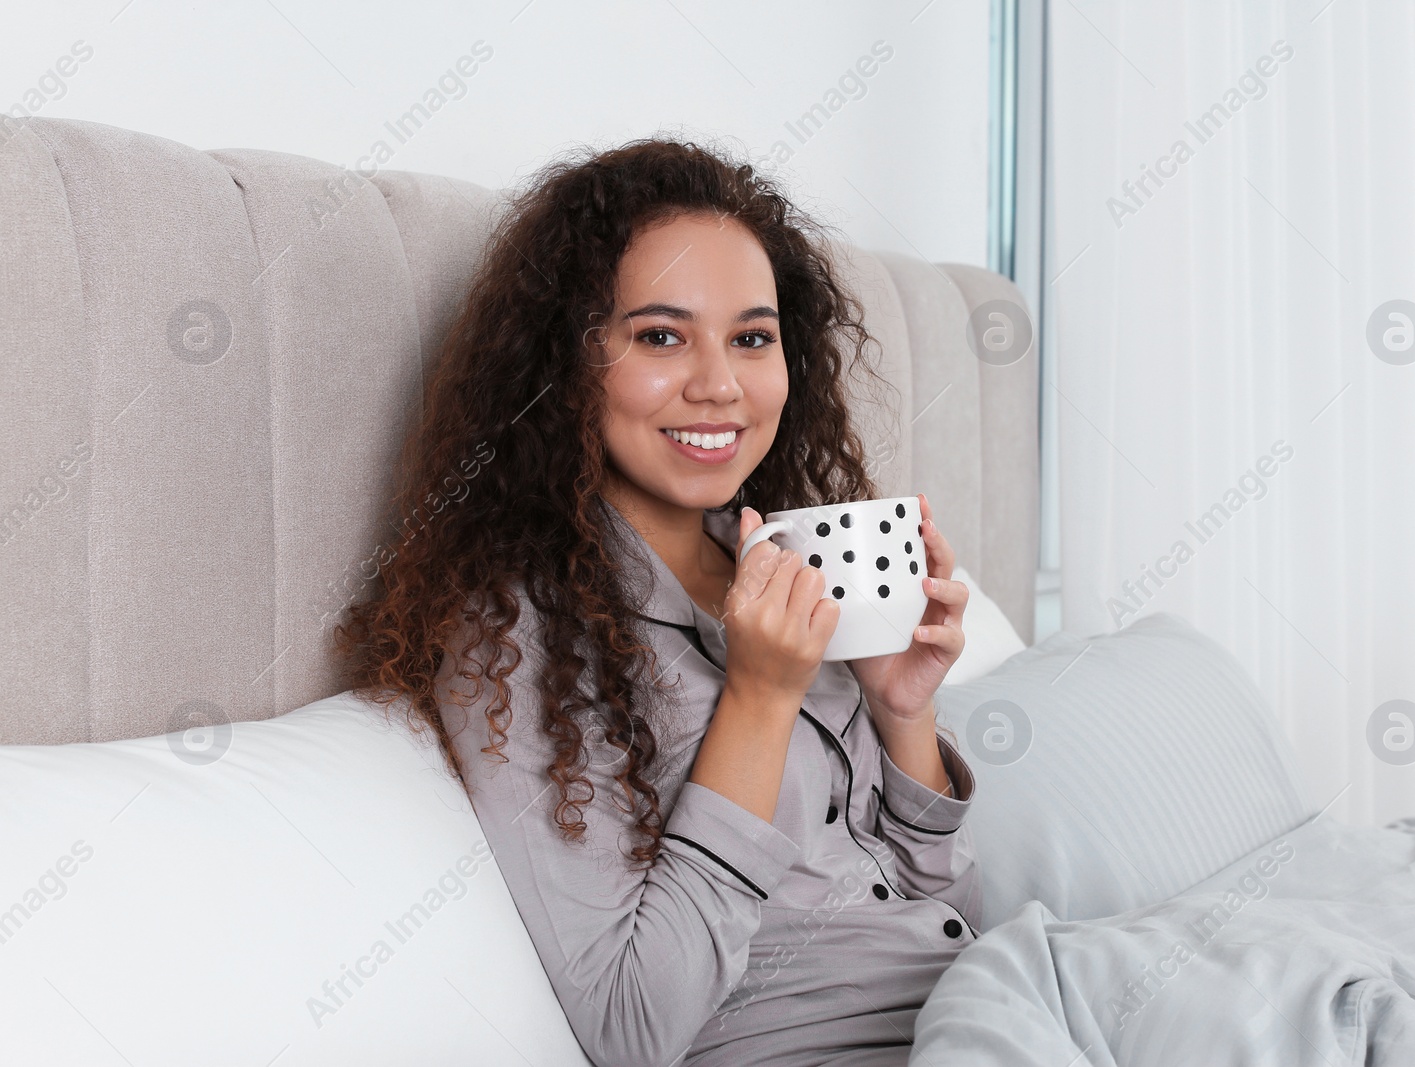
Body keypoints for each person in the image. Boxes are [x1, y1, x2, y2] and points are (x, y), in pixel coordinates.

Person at [335, 138, 981, 1067]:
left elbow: (933, 907)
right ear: (570, 363)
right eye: (661, 335)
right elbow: (634, 1026)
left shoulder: (778, 561)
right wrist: (760, 698)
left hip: (983, 1003)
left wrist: (901, 710)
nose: (719, 383)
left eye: (752, 338)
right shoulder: (520, 643)